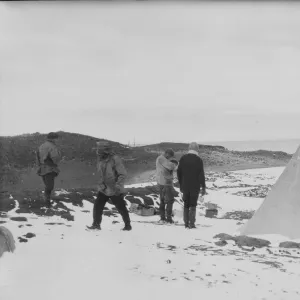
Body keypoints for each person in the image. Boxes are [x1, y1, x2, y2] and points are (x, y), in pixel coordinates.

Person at [87, 141, 132, 231]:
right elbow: (100, 174)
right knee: (97, 206)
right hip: (103, 188)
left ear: (105, 150)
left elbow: (122, 174)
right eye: (98, 150)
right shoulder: (100, 159)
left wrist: (118, 186)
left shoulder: (115, 159)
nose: (97, 152)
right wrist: (100, 184)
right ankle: (96, 225)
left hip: (114, 188)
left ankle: (128, 225)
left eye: (99, 150)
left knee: (121, 207)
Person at [177, 142, 206, 229]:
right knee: (193, 205)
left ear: (189, 149)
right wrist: (203, 187)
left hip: (185, 185)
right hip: (195, 186)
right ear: (197, 149)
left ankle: (186, 223)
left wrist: (181, 184)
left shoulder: (183, 158)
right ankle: (192, 224)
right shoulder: (199, 160)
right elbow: (201, 175)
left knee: (186, 204)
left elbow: (179, 172)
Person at [36, 132, 61, 208]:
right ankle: (47, 202)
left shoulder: (41, 146)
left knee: (47, 185)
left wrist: (39, 166)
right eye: (57, 138)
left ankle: (46, 200)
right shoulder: (52, 146)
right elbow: (55, 158)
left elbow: (37, 156)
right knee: (50, 186)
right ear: (53, 139)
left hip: (42, 168)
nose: (58, 140)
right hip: (50, 168)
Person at [156, 148, 178, 224]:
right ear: (167, 154)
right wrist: (175, 165)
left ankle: (162, 218)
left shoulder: (161, 159)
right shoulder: (161, 158)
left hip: (161, 183)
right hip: (165, 183)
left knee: (162, 201)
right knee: (170, 201)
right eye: (170, 156)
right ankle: (168, 219)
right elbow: (171, 166)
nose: (170, 158)